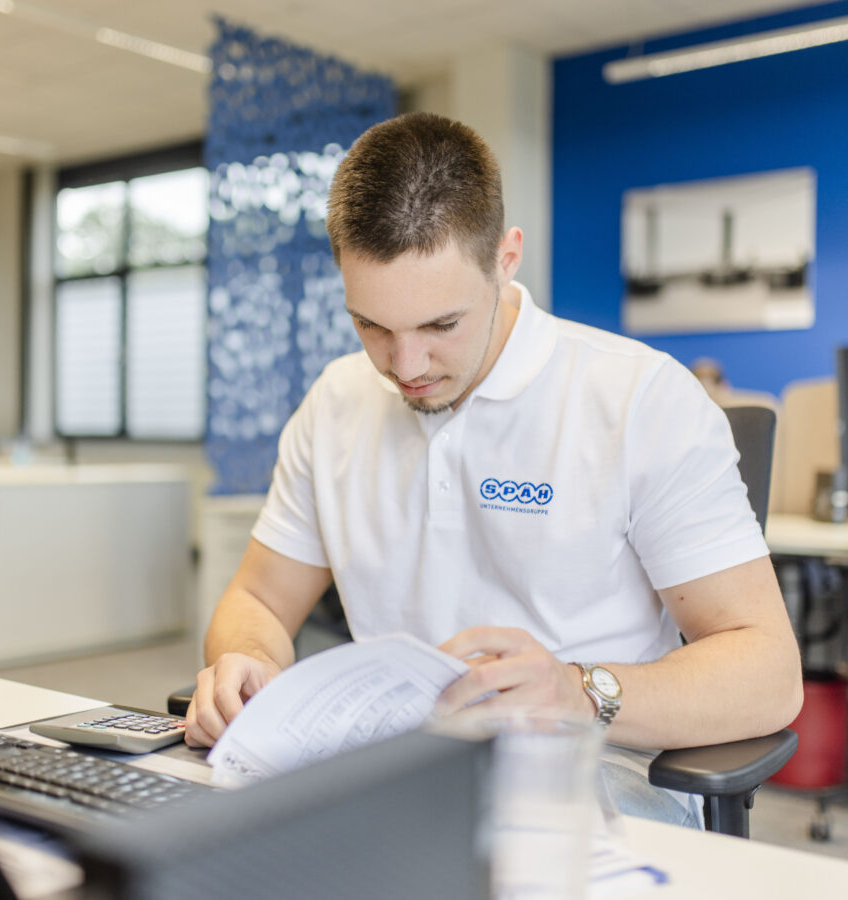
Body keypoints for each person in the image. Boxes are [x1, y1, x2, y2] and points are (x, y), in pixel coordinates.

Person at [184, 112, 803, 826]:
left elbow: (767, 671)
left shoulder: (637, 399)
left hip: (591, 777)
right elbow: (257, 602)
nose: (405, 367)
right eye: (372, 327)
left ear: (506, 258)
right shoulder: (335, 402)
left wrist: (578, 692)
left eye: (440, 326)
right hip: (399, 777)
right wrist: (246, 665)